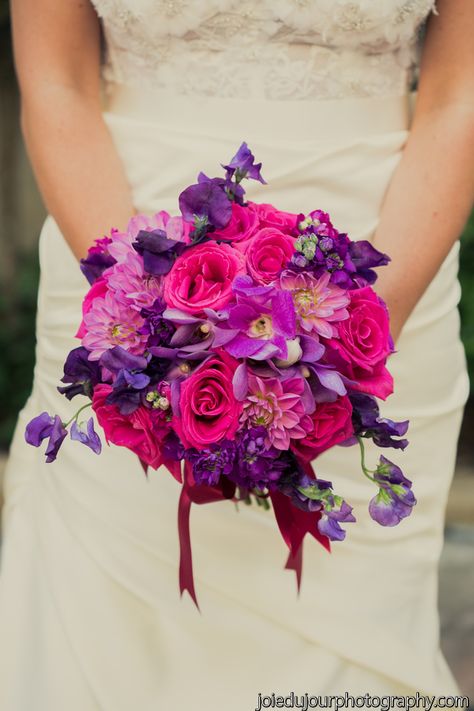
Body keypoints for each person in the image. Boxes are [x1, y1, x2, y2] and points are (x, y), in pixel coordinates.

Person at [1, 1, 473, 709]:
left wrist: (356, 332)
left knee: (352, 649)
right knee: (108, 643)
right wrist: (148, 316)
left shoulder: (376, 310)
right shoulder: (131, 307)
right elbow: (57, 82)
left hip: (392, 257)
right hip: (117, 259)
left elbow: (461, 93)